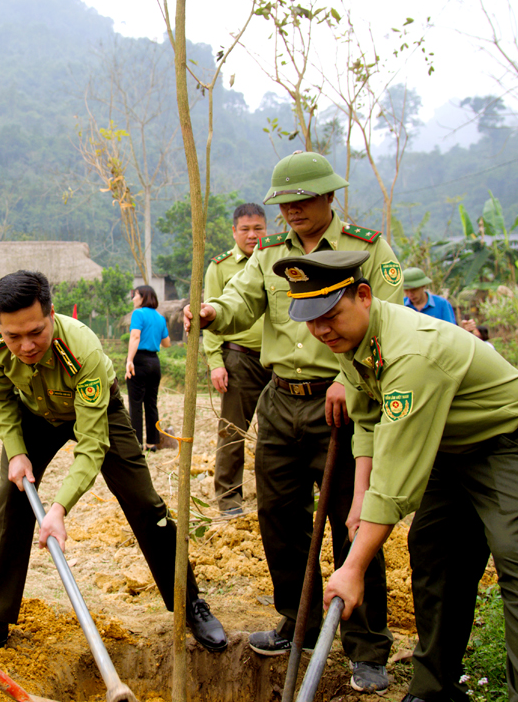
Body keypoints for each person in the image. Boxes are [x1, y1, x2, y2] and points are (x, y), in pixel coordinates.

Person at [276, 251, 518, 702]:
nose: (321, 331)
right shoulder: (352, 341)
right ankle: (434, 689)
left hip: (513, 444)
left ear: (364, 296)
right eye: (311, 322)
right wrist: (357, 501)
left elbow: (397, 478)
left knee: (516, 562)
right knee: (434, 552)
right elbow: (368, 423)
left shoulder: (411, 353)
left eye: (329, 316)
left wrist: (352, 569)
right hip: (450, 449)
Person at [184, 151, 399, 690]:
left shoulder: (366, 250)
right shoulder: (269, 254)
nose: (293, 211)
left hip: (345, 405)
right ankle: (295, 621)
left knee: (352, 522)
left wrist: (350, 381)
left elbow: (393, 323)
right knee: (279, 517)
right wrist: (211, 313)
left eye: (303, 200)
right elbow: (239, 302)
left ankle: (366, 645)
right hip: (280, 402)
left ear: (329, 196)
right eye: (285, 202)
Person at [0, 270, 228, 656]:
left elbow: (91, 444)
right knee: (12, 500)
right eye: (13, 336)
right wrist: (16, 450)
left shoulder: (82, 350)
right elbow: (1, 399)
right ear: (0, 328)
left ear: (52, 314)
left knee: (144, 501)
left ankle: (190, 604)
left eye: (35, 332)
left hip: (95, 411)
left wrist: (58, 509)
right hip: (34, 414)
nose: (25, 346)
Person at [202, 202, 271, 516]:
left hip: (277, 359)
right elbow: (210, 315)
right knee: (232, 431)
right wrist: (216, 362)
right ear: (234, 231)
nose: (252, 235)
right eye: (245, 229)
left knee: (279, 433)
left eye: (258, 228)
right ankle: (229, 499)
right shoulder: (220, 266)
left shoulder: (275, 259)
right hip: (238, 360)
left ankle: (274, 496)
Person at [124, 284, 171, 451]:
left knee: (135, 404)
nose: (133, 298)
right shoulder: (160, 317)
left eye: (135, 295)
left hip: (139, 361)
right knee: (151, 404)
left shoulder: (138, 313)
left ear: (143, 297)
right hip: (154, 362)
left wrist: (129, 360)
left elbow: (135, 336)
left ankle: (136, 444)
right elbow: (166, 343)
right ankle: (152, 443)